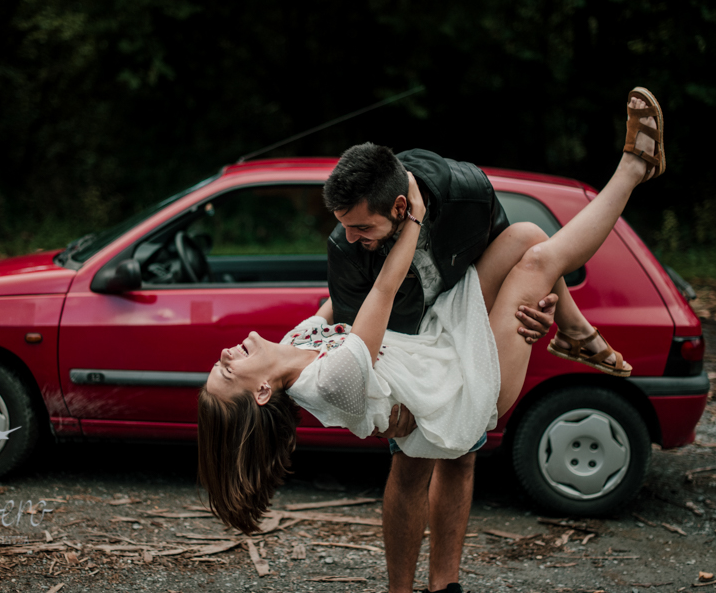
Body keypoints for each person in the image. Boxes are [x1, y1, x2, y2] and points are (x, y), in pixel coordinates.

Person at [196, 88, 664, 593]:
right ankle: (634, 168)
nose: (223, 355)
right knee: (538, 262)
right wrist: (415, 219)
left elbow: (337, 307)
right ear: (262, 391)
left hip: (440, 340)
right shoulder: (329, 381)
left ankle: (573, 331)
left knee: (526, 236)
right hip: (463, 387)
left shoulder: (293, 346)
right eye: (226, 371)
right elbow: (381, 294)